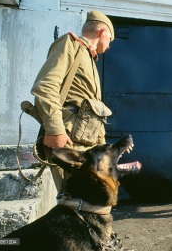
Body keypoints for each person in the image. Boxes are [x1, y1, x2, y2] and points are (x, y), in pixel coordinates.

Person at [31, 10, 116, 192]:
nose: (109, 45)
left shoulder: (89, 58)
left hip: (87, 143)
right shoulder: (70, 45)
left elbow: (95, 110)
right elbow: (46, 87)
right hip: (69, 140)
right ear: (102, 32)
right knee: (75, 198)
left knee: (88, 198)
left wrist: (102, 149)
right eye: (110, 38)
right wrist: (55, 130)